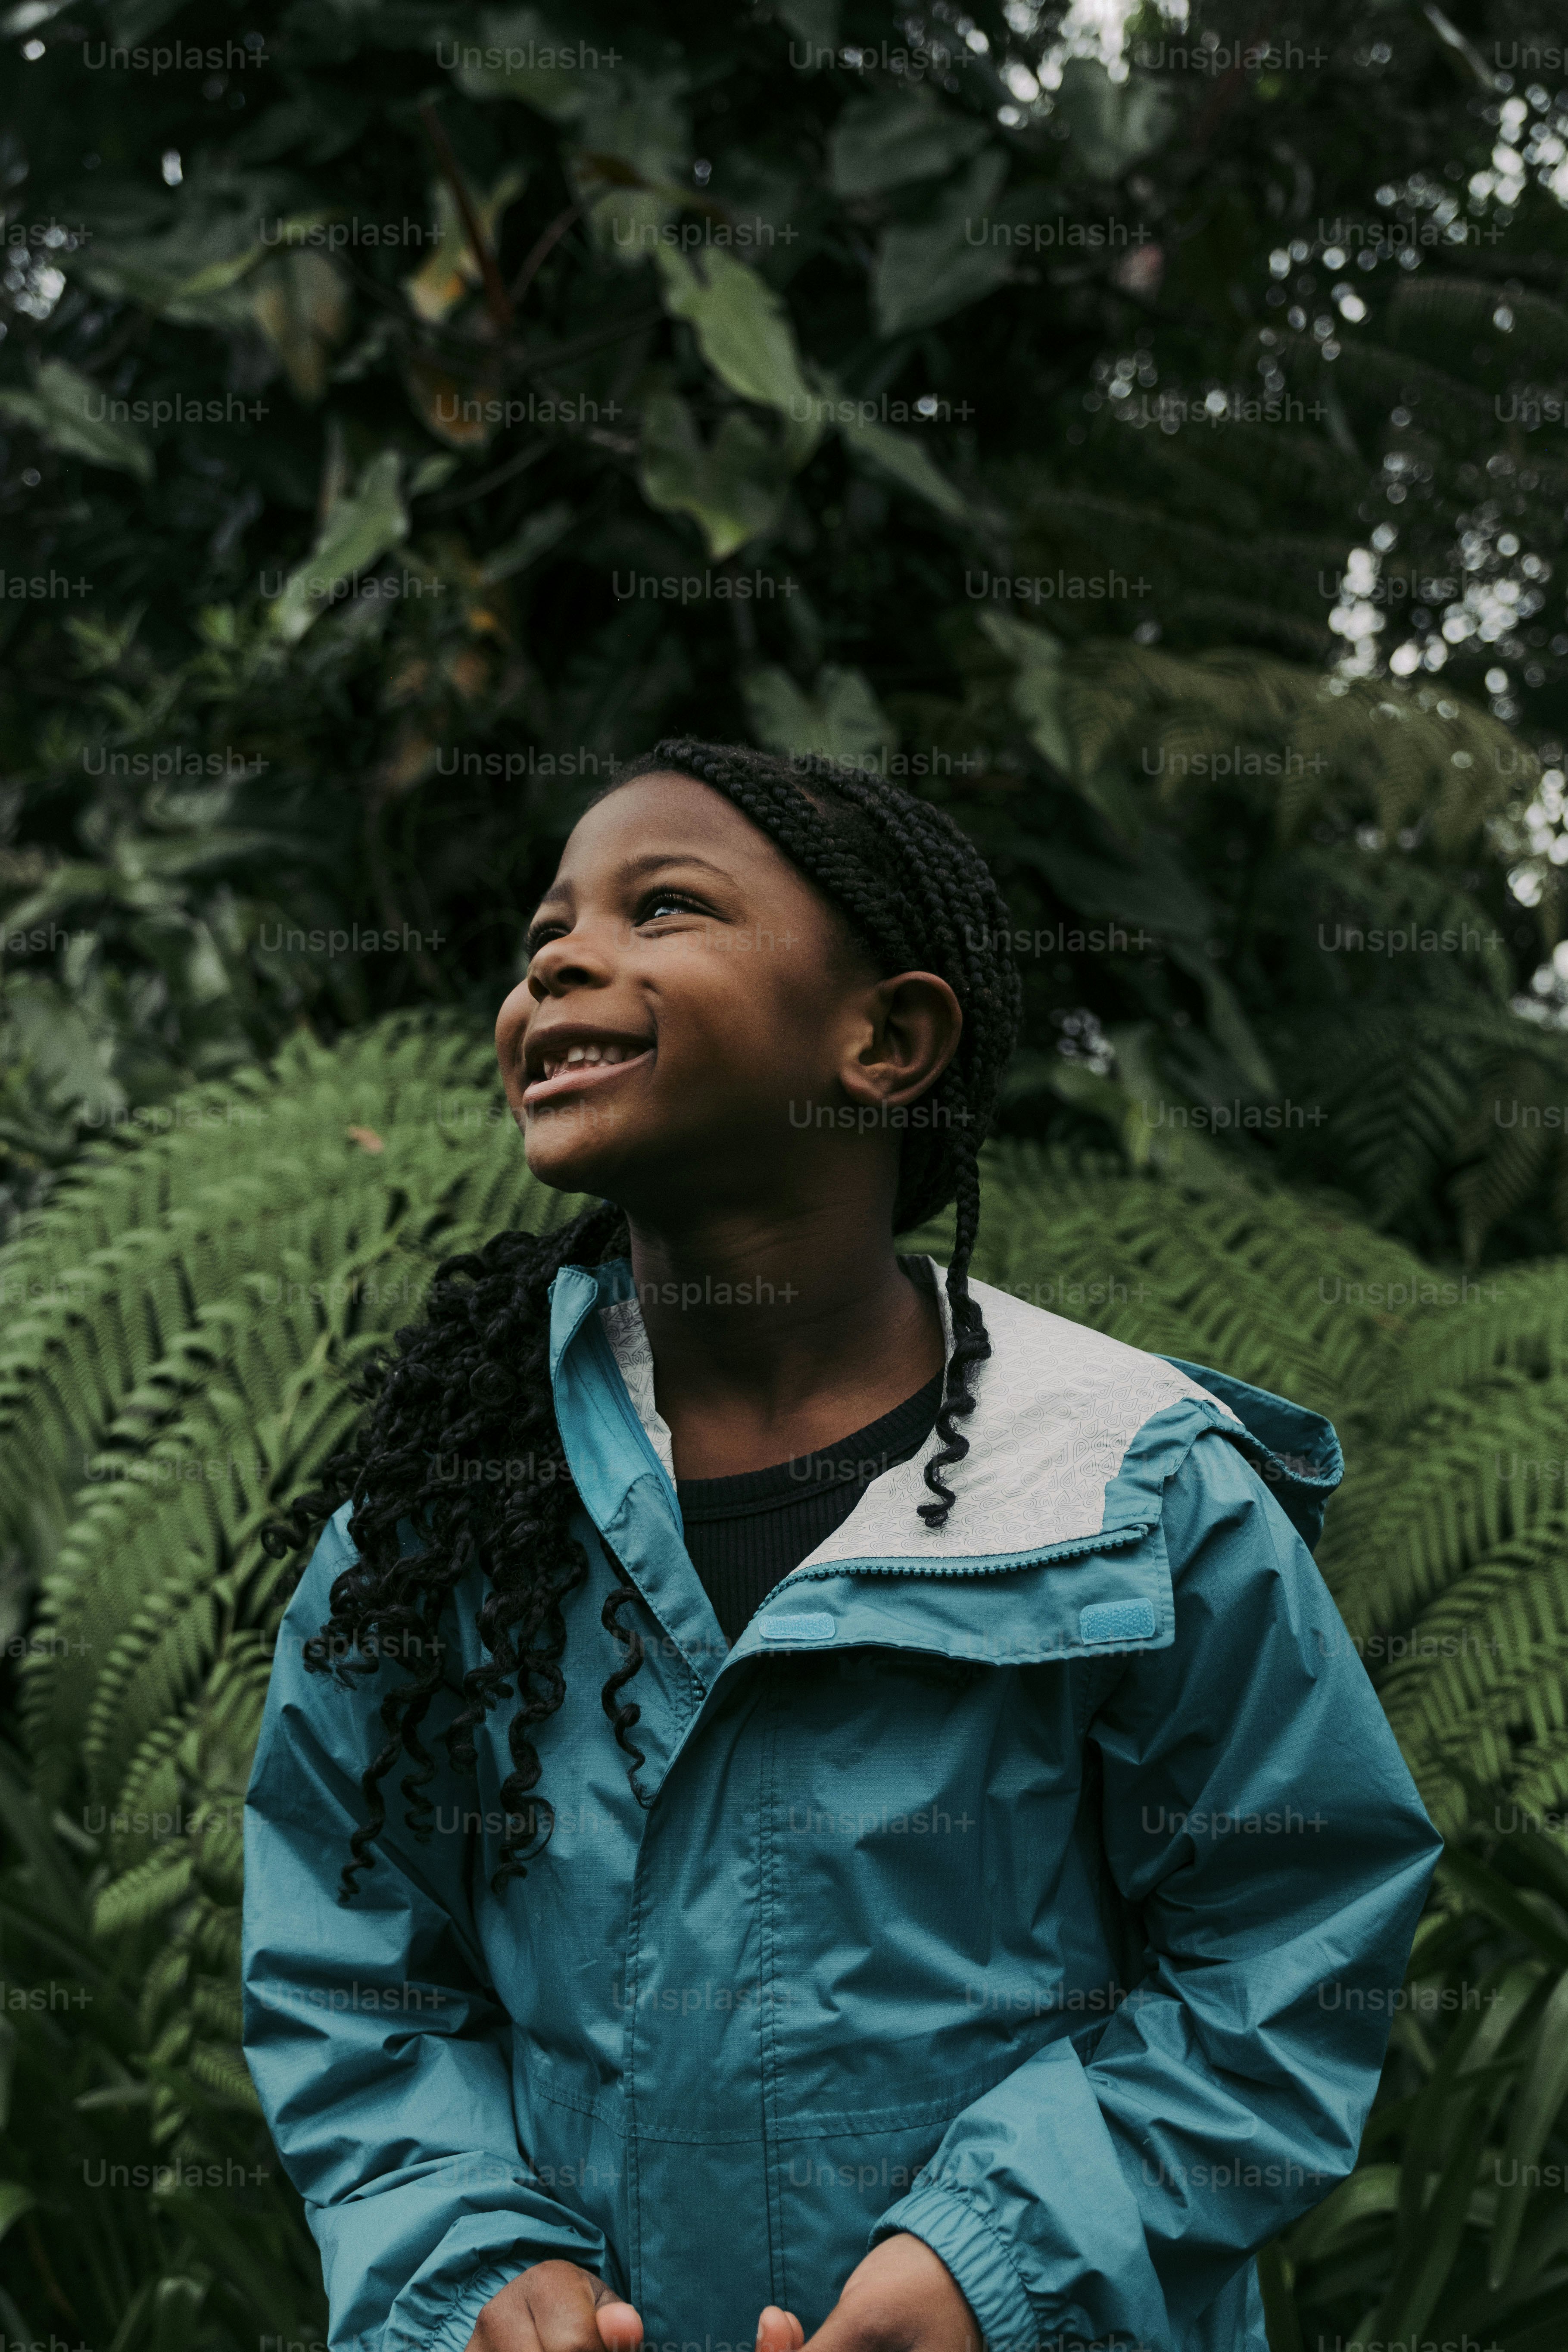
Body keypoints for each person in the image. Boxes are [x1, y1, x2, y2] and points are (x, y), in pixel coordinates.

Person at [242, 740, 1441, 2352]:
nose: (561, 960)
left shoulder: (1130, 1490)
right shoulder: (447, 1511)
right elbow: (350, 1961)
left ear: (884, 1040)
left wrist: (998, 2265)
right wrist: (467, 2259)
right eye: (547, 932)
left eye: (664, 907)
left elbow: (1291, 1942)